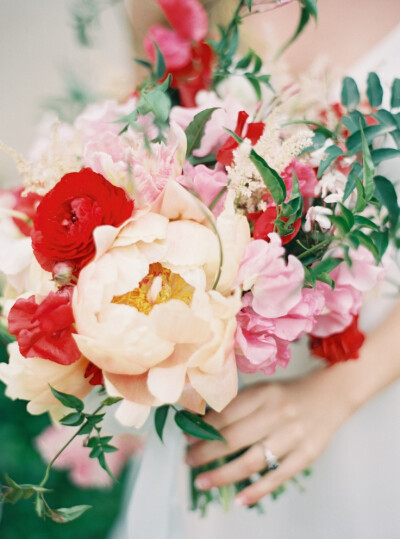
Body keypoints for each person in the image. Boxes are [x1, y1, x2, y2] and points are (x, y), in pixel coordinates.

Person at [112, 1, 400, 537]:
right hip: (220, 395)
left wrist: (336, 394)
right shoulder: (181, 5)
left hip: (373, 386)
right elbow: (147, 162)